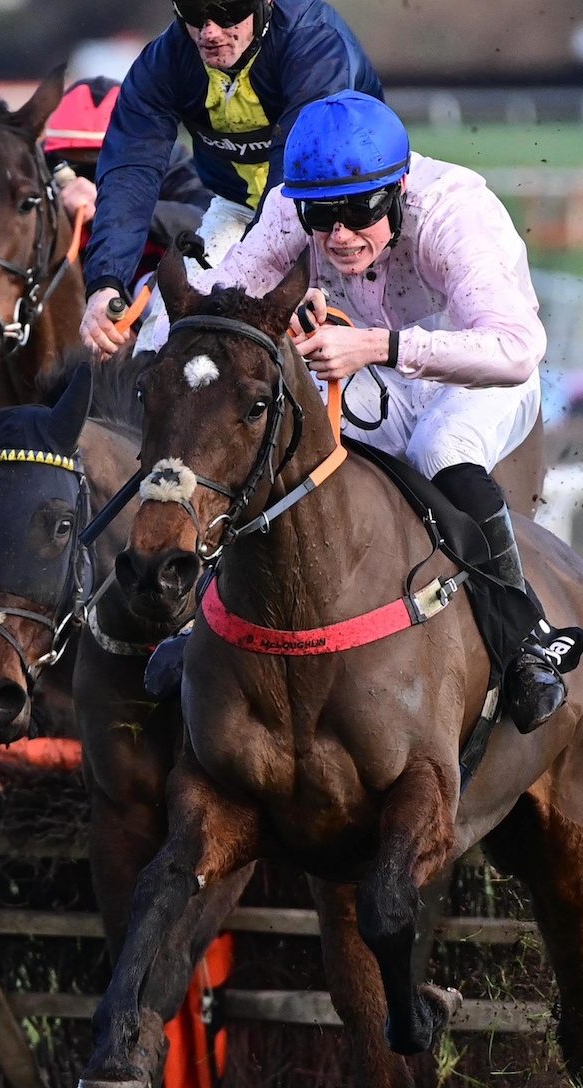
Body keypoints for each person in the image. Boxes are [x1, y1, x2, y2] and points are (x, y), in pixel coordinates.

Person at [171, 91, 563, 730]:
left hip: (480, 374)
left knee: (438, 450)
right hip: (367, 366)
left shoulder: (454, 216)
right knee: (266, 442)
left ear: (400, 187)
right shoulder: (290, 208)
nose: (340, 235)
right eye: (321, 218)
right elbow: (228, 306)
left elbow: (517, 350)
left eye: (360, 211)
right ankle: (199, 623)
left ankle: (523, 640)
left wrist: (376, 345)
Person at [78, 0, 382, 359]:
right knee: (161, 337)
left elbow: (296, 175)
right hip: (237, 205)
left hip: (336, 210)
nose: (210, 32)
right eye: (194, 14)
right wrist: (106, 281)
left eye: (229, 11)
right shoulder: (164, 60)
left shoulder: (312, 42)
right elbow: (131, 170)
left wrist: (260, 272)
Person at [43, 76, 210, 280]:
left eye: (108, 161)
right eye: (74, 165)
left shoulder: (169, 161)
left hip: (148, 282)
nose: (88, 178)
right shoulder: (36, 167)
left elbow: (205, 220)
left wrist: (113, 208)